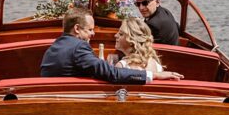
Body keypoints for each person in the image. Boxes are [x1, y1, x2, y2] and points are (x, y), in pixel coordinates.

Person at [40, 7, 181, 82]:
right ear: (77, 29)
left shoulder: (53, 47)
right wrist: (153, 75)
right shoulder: (79, 47)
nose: (93, 34)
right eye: (89, 30)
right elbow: (112, 74)